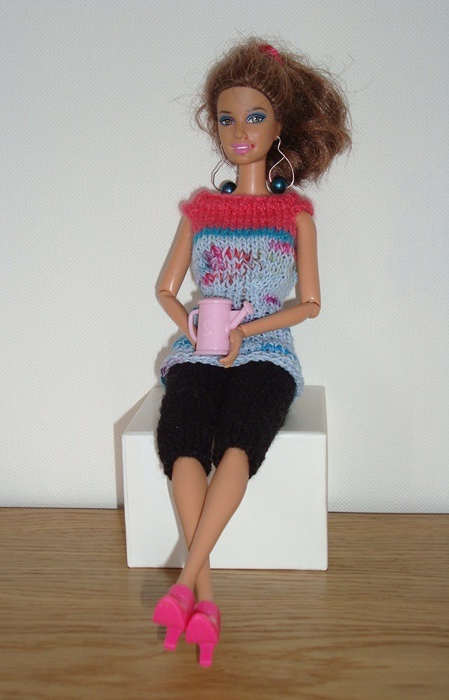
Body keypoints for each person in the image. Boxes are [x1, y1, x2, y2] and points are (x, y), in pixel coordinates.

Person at [152, 38, 351, 667]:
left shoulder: (295, 216)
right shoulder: (201, 211)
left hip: (267, 351)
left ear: (280, 125)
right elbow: (165, 288)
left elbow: (310, 304)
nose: (240, 132)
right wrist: (189, 324)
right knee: (182, 438)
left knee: (241, 439)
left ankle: (186, 585)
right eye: (227, 118)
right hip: (201, 349)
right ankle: (204, 599)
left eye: (256, 116)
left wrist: (250, 330)